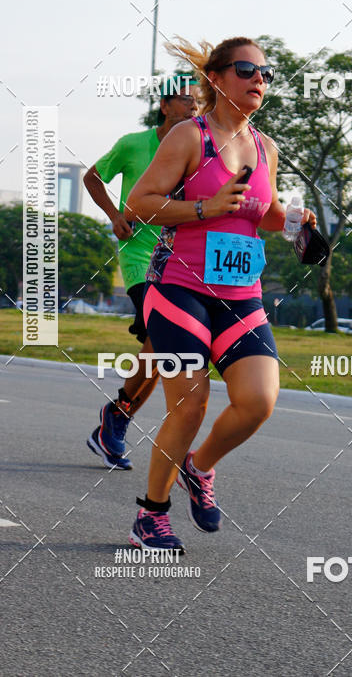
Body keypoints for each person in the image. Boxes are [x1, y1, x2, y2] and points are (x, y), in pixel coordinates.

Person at [126, 36, 316, 550]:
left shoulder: (264, 147)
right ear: (216, 78)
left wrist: (294, 220)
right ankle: (150, 514)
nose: (260, 80)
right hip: (178, 289)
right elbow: (140, 203)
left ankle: (199, 467)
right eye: (247, 70)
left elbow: (265, 213)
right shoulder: (190, 137)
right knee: (189, 406)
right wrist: (205, 208)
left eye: (266, 74)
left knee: (258, 401)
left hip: (240, 294)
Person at [84, 76, 199, 469]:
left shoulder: (199, 147)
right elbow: (93, 176)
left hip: (179, 260)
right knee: (159, 343)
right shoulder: (133, 145)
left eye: (199, 101)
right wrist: (115, 216)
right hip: (138, 258)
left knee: (162, 351)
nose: (194, 107)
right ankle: (116, 418)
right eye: (186, 100)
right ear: (165, 106)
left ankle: (116, 416)